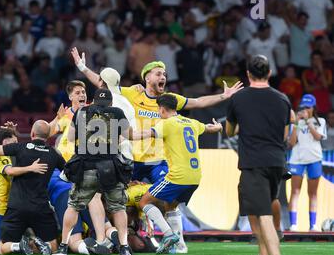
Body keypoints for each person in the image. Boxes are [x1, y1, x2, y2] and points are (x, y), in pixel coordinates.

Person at [71, 47, 243, 184]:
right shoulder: (133, 93)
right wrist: (83, 68)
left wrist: (224, 96)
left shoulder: (169, 100)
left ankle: (174, 229)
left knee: (166, 202)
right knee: (129, 202)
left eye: (164, 75)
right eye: (159, 73)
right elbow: (105, 84)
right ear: (147, 77)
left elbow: (198, 102)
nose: (163, 77)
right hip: (133, 158)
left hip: (159, 160)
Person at [129, 94, 223, 254]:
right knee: (170, 205)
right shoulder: (191, 122)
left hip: (178, 176)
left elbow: (140, 135)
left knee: (144, 202)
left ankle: (167, 235)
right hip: (195, 176)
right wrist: (219, 127)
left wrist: (125, 134)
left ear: (162, 109)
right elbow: (209, 128)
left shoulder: (166, 124)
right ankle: (181, 246)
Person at [226, 55, 291, 255]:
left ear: (248, 74)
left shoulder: (238, 99)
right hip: (276, 163)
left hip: (254, 163)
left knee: (262, 216)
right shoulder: (283, 99)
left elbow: (229, 132)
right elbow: (284, 135)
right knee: (259, 211)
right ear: (269, 73)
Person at [51, 89, 133, 255]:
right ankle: (124, 248)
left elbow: (72, 137)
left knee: (74, 206)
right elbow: (128, 135)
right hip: (110, 167)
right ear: (110, 103)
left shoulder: (82, 111)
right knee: (118, 208)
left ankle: (63, 246)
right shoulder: (117, 112)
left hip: (86, 167)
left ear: (93, 101)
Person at [0, 120, 65, 255]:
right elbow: (68, 173)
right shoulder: (53, 153)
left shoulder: (20, 148)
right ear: (48, 136)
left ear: (32, 133)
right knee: (53, 246)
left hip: (16, 206)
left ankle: (17, 246)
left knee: (3, 248)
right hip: (40, 207)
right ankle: (36, 243)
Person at [288, 94, 327, 231]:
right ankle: (293, 225)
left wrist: (309, 122)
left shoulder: (320, 121)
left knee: (313, 193)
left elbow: (318, 137)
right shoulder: (296, 122)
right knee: (295, 192)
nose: (305, 109)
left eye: (308, 107)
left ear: (313, 107)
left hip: (314, 159)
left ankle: (313, 225)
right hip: (297, 160)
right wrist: (296, 124)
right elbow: (291, 143)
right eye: (303, 107)